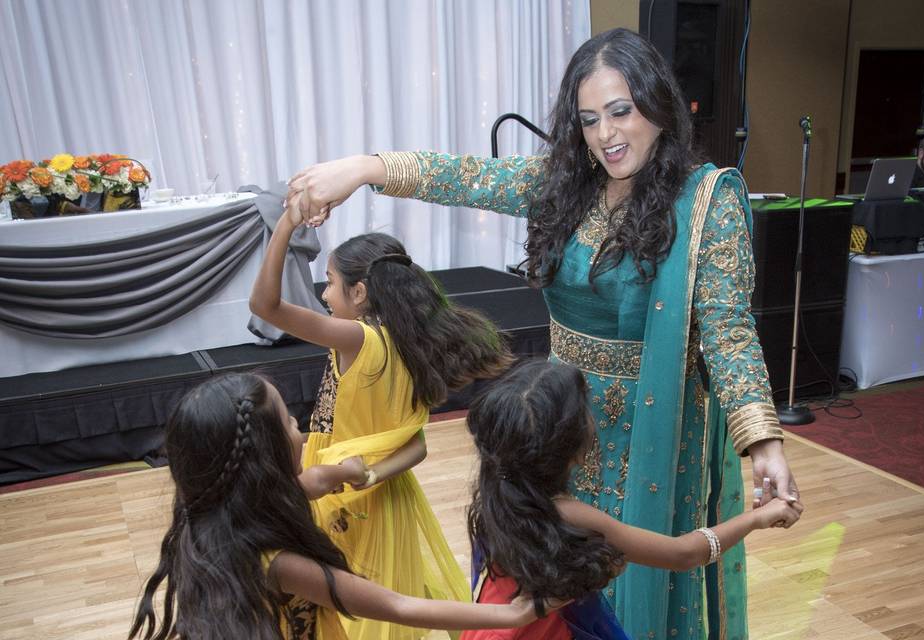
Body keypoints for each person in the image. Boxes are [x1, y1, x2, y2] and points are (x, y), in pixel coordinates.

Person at [285, 27, 801, 639]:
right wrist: (364, 168)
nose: (606, 134)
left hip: (656, 427)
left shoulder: (704, 203)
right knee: (559, 587)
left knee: (648, 571)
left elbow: (728, 331)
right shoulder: (562, 188)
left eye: (621, 111)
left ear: (658, 105)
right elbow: (465, 177)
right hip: (561, 428)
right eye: (588, 120)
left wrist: (763, 441)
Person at [128, 373, 545, 640]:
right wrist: (515, 614)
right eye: (291, 423)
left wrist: (337, 473)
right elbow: (398, 605)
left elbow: (307, 482)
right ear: (266, 458)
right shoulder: (279, 564)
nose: (302, 430)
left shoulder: (210, 514)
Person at [250, 220, 513, 639]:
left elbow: (266, 307)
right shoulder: (406, 342)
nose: (324, 294)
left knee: (355, 609)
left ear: (360, 293)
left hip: (344, 502)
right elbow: (417, 446)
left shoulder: (358, 338)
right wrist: (367, 474)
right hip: (385, 497)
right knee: (388, 604)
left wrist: (283, 226)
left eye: (331, 283)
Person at [462, 360, 802, 639]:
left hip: (491, 626)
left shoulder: (496, 487)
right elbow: (683, 554)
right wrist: (756, 518)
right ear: (578, 452)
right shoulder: (569, 514)